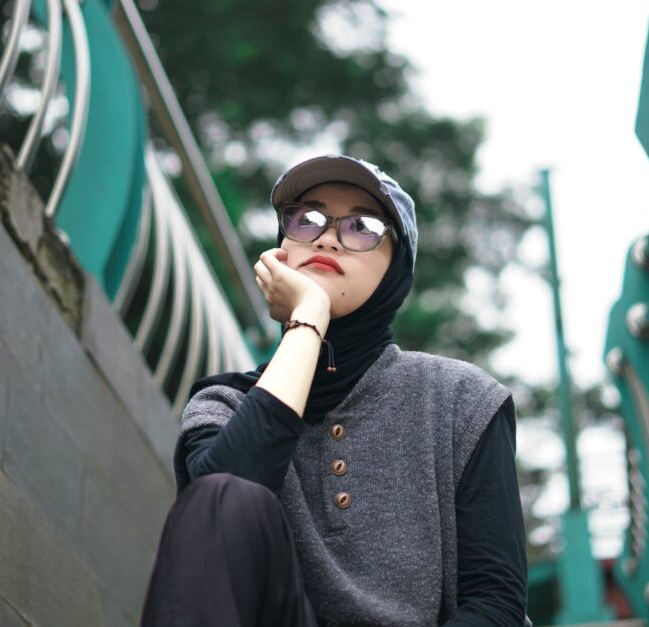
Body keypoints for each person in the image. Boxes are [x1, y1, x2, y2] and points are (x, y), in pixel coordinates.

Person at [140, 155, 530, 626]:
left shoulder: (461, 401)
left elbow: (496, 606)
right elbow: (218, 539)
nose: (326, 236)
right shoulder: (223, 405)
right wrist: (308, 319)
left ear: (395, 268)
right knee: (224, 496)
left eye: (362, 226)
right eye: (308, 219)